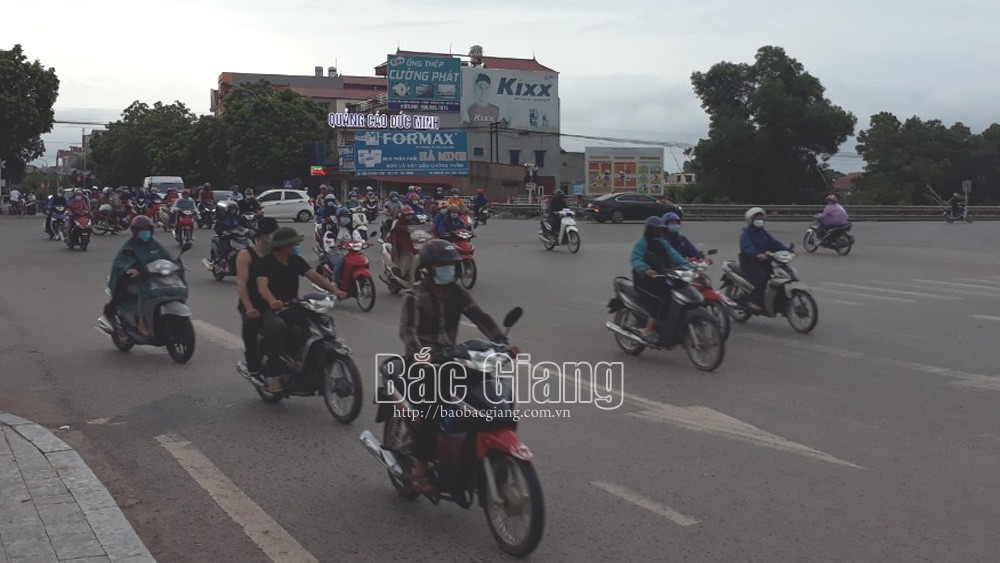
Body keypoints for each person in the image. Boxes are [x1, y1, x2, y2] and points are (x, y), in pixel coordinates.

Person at [399, 239, 510, 494]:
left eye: (451, 265)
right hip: (422, 364)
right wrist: (422, 356)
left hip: (450, 357)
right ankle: (420, 466)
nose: (448, 270)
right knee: (433, 407)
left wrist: (501, 341)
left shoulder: (456, 292)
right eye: (442, 266)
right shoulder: (414, 296)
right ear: (428, 269)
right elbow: (408, 332)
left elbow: (480, 316)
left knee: (485, 391)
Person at [252, 228, 346, 393]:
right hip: (270, 309)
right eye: (293, 243)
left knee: (318, 323)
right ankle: (273, 374)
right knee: (278, 328)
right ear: (283, 246)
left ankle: (305, 362)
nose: (296, 245)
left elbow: (314, 276)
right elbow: (262, 287)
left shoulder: (295, 260)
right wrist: (272, 301)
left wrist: (335, 290)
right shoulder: (265, 263)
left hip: (293, 305)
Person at [101, 216, 171, 335]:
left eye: (147, 230)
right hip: (133, 281)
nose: (145, 233)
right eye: (142, 230)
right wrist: (132, 269)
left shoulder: (154, 244)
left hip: (153, 278)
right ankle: (141, 323)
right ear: (135, 232)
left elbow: (165, 256)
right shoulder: (130, 245)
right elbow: (120, 263)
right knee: (143, 293)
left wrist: (174, 264)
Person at [630, 216, 692, 343]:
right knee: (660, 300)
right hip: (644, 280)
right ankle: (648, 330)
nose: (658, 232)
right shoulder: (641, 244)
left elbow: (676, 257)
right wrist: (646, 269)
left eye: (660, 229)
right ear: (649, 230)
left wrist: (691, 267)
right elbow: (635, 260)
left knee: (675, 295)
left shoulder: (663, 243)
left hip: (660, 278)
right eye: (655, 229)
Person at [236, 217, 279, 380]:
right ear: (261, 236)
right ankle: (253, 364)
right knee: (251, 324)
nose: (272, 237)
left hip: (275, 301)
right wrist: (249, 307)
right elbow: (241, 283)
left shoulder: (278, 254)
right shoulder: (246, 255)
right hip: (253, 302)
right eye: (270, 234)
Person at [739, 207, 790, 312]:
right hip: (750, 263)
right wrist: (756, 254)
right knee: (761, 278)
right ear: (751, 220)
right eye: (757, 218)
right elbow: (747, 247)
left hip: (763, 262)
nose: (760, 220)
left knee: (776, 276)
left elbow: (774, 243)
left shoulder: (763, 233)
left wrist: (788, 250)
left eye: (761, 218)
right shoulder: (746, 234)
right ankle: (750, 301)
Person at [321, 208, 364, 286]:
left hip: (350, 253)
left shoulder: (352, 230)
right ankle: (334, 281)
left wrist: (363, 243)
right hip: (335, 254)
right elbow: (327, 246)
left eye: (347, 217)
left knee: (362, 260)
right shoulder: (331, 231)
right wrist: (332, 247)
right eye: (343, 217)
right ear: (338, 218)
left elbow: (358, 239)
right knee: (339, 263)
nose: (346, 219)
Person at [389, 205, 421, 287]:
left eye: (410, 214)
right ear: (403, 215)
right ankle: (401, 275)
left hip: (414, 244)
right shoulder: (399, 223)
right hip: (403, 246)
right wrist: (405, 229)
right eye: (407, 215)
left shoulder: (414, 221)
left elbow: (419, 229)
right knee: (406, 258)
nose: (409, 216)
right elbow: (396, 232)